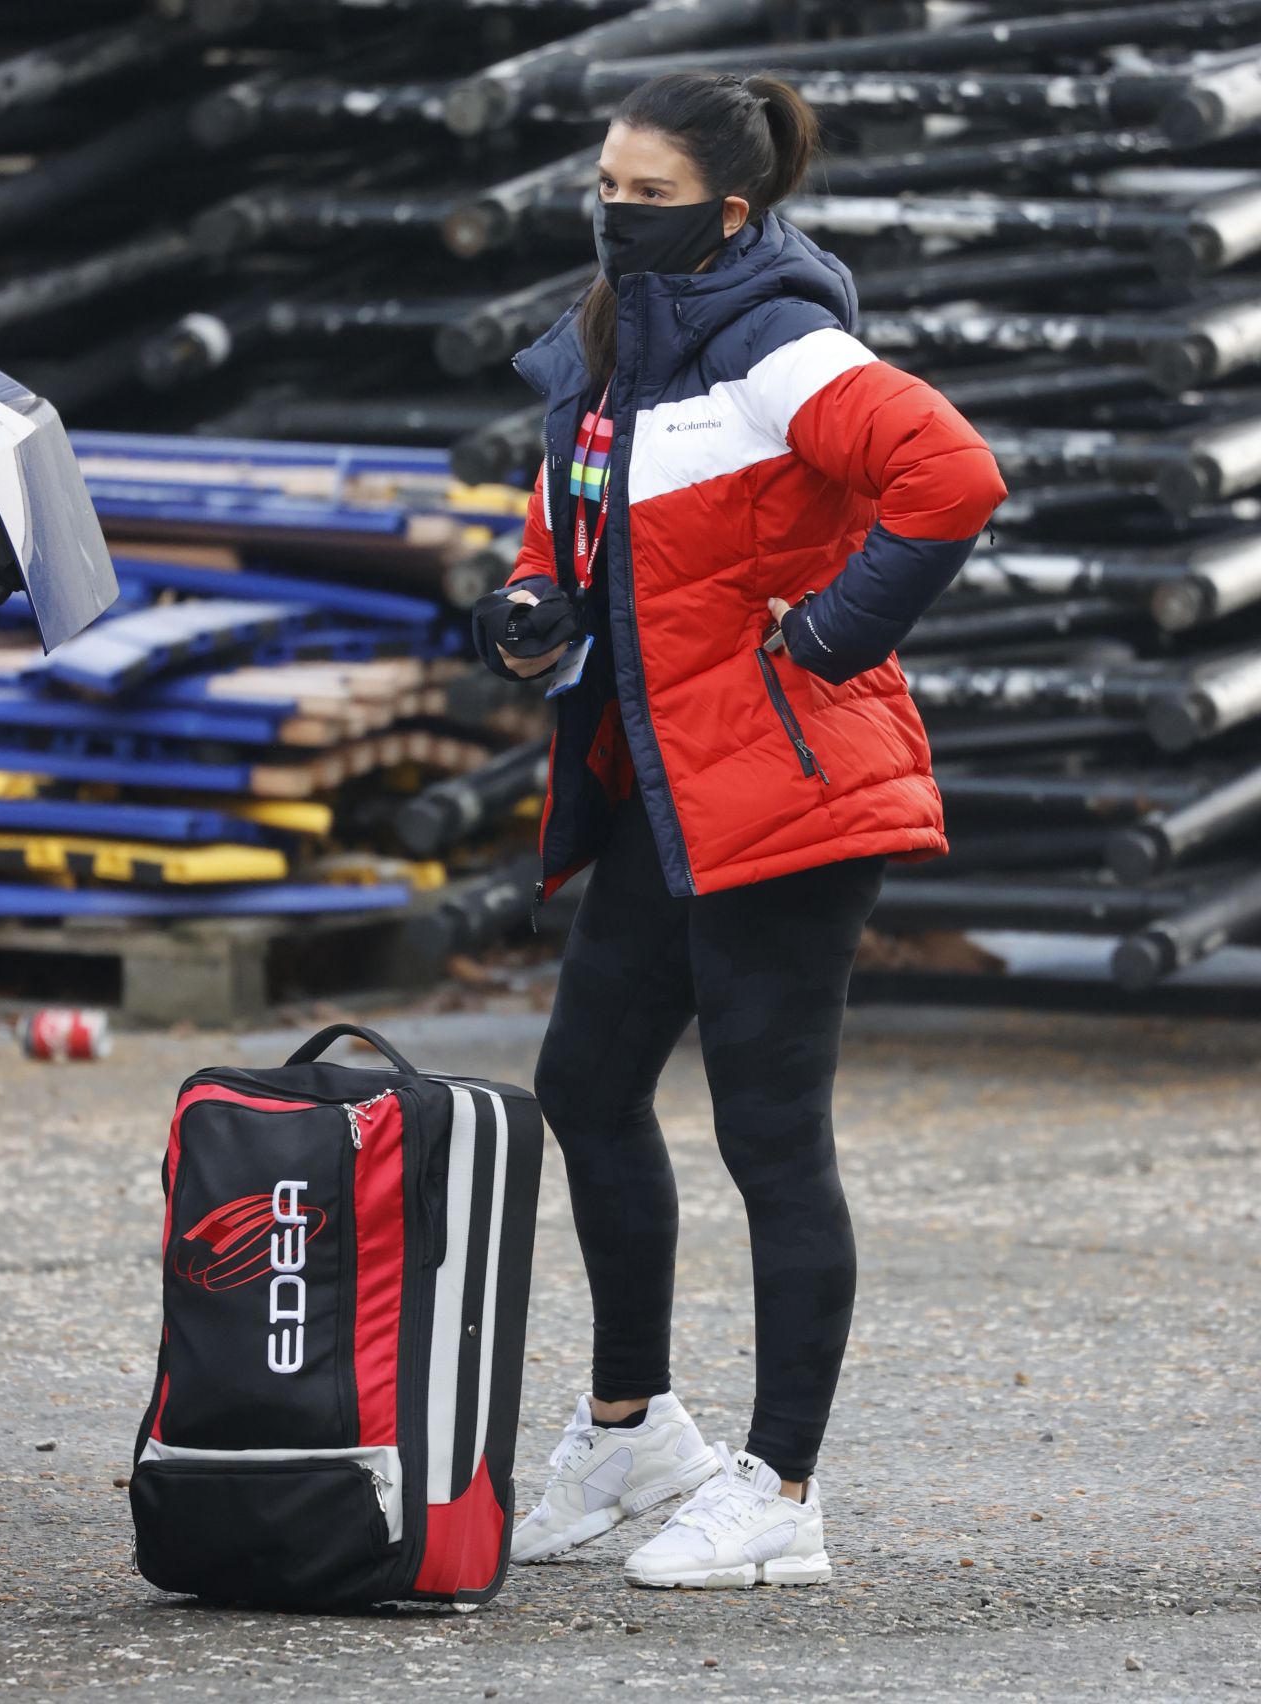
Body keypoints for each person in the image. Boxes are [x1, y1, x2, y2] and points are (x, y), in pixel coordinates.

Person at [472, 69, 1006, 1591]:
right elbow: (571, 516)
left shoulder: (780, 341)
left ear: (730, 209)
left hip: (787, 791)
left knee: (772, 1135)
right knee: (582, 1081)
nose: (612, 213)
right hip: (662, 780)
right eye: (605, 186)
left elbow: (951, 476)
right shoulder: (611, 346)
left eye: (645, 196)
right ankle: (637, 1431)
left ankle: (781, 1491)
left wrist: (833, 635)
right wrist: (528, 602)